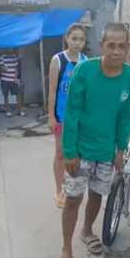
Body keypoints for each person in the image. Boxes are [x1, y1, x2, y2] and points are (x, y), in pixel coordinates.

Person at [57, 22, 130, 258]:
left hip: (106, 151)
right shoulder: (84, 70)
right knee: (73, 199)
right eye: (111, 45)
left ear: (127, 47)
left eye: (121, 46)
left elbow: (127, 117)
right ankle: (66, 250)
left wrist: (121, 148)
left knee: (97, 194)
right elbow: (71, 113)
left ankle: (87, 230)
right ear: (102, 46)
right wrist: (69, 151)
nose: (116, 51)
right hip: (80, 150)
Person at [47, 23, 88, 209]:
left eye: (81, 39)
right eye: (74, 38)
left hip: (79, 118)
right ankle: (58, 190)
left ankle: (71, 186)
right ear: (67, 39)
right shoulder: (58, 60)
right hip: (61, 116)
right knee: (60, 152)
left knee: (75, 153)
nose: (77, 43)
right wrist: (51, 117)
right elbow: (53, 91)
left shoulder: (85, 61)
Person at [0, 49, 25, 117]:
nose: (10, 49)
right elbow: (2, 67)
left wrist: (16, 78)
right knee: (6, 95)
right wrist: (5, 69)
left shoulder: (14, 57)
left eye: (11, 48)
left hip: (13, 80)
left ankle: (20, 111)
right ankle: (8, 111)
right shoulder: (2, 57)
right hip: (4, 80)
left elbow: (16, 69)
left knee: (18, 94)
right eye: (9, 47)